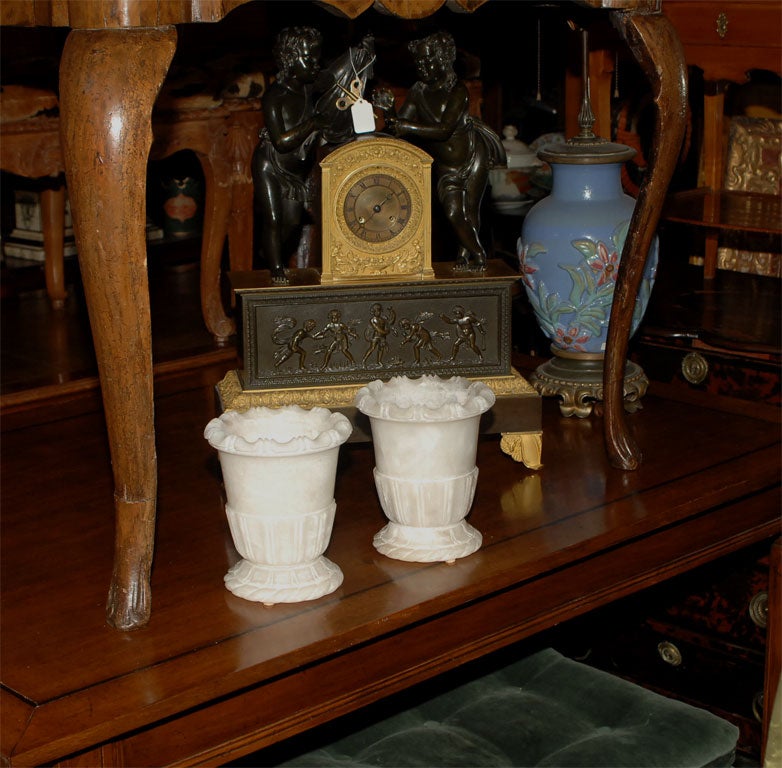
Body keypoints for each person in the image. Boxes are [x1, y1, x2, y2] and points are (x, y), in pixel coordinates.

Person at [374, 31, 505, 272]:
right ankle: (477, 253)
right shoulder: (418, 91)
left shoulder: (457, 91)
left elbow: (444, 129)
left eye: (427, 60)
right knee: (454, 212)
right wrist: (389, 110)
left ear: (444, 59)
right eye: (419, 62)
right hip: (447, 165)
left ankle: (470, 256)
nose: (422, 67)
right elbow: (399, 127)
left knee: (470, 211)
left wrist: (406, 125)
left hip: (473, 156)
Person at [252, 27, 329, 284]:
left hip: (295, 171)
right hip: (270, 164)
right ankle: (275, 268)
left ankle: (269, 252)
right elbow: (282, 141)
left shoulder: (309, 87)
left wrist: (357, 55)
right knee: (274, 219)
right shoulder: (275, 97)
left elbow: (333, 78)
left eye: (317, 58)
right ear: (289, 59)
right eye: (308, 59)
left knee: (293, 221)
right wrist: (313, 123)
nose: (314, 64)